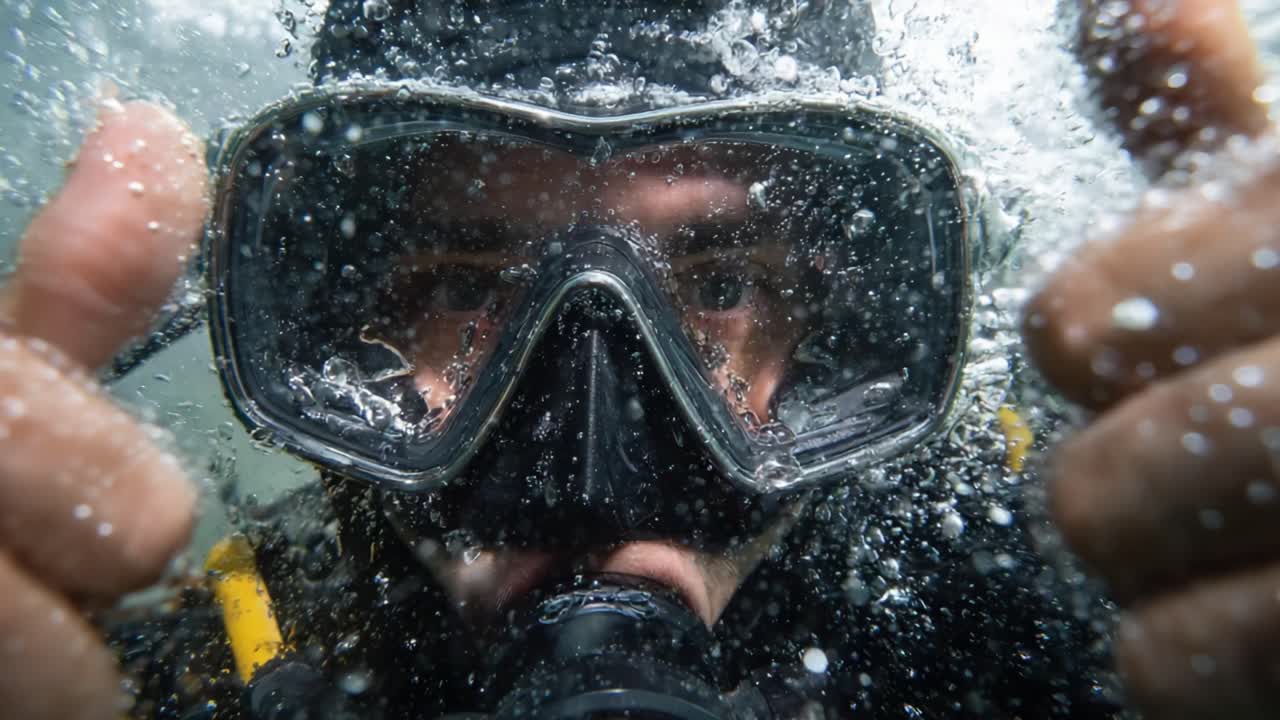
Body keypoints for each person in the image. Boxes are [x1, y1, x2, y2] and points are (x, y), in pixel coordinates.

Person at [0, 0, 1275, 718]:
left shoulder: (1058, 598)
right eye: (462, 287)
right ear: (342, 332)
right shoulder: (204, 669)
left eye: (715, 286)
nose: (595, 465)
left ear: (834, 335)